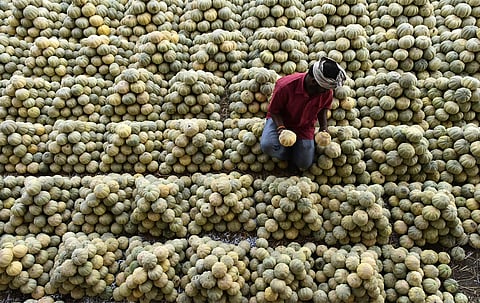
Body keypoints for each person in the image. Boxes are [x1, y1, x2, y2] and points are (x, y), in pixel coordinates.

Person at [260, 57, 347, 172]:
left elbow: (323, 109)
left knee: (304, 163)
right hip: (281, 121)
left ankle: (297, 151)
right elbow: (274, 111)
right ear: (314, 82)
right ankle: (288, 153)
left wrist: (324, 128)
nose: (327, 92)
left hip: (304, 125)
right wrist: (281, 129)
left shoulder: (326, 92)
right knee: (267, 145)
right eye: (324, 89)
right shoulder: (285, 86)